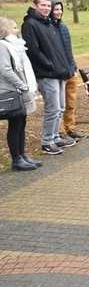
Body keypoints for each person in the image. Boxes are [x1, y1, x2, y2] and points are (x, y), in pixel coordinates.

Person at [22, 0, 76, 155]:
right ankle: (47, 141)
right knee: (52, 108)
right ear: (36, 5)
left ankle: (55, 137)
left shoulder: (49, 24)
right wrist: (50, 65)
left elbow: (58, 49)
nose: (46, 9)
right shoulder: (31, 24)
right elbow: (34, 51)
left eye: (48, 6)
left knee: (60, 107)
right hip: (46, 73)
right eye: (43, 6)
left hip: (58, 72)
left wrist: (63, 66)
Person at [0, 16, 40, 171]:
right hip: (10, 91)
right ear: (5, 29)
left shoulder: (15, 46)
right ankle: (16, 158)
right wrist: (22, 86)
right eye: (14, 27)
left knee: (21, 123)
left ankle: (22, 155)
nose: (17, 30)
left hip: (19, 90)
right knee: (15, 124)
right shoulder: (3, 46)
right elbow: (5, 70)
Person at [51, 0, 89, 141]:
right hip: (58, 72)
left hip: (70, 69)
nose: (59, 12)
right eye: (56, 9)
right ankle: (59, 131)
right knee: (59, 104)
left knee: (70, 102)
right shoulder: (48, 28)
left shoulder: (63, 27)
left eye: (60, 9)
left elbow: (68, 49)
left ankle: (70, 128)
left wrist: (73, 66)